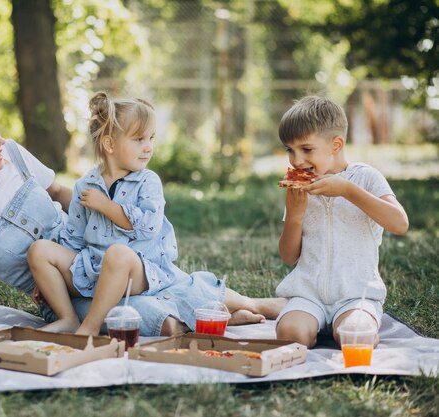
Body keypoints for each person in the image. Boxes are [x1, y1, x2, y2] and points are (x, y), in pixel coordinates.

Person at [28, 91, 284, 335]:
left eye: (151, 139)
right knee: (40, 249)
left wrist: (107, 207)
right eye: (139, 139)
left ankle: (90, 328)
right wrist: (55, 276)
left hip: (140, 270)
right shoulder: (86, 185)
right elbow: (73, 237)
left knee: (119, 255)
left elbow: (148, 226)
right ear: (109, 144)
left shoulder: (148, 182)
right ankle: (68, 319)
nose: (148, 147)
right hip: (92, 268)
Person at [274, 95, 409, 349]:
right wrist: (294, 215)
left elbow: (400, 224)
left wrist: (348, 190)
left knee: (356, 336)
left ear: (336, 144)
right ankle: (305, 320)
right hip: (307, 294)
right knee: (290, 336)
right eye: (290, 150)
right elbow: (288, 256)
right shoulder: (299, 187)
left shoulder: (366, 177)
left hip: (356, 295)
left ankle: (350, 324)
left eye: (306, 149)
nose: (296, 160)